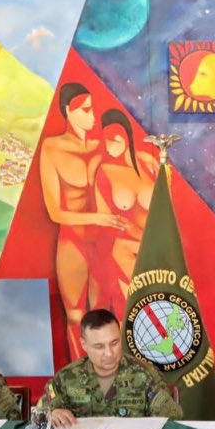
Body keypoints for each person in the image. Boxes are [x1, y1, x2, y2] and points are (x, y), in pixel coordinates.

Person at [39, 82, 127, 358]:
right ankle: (80, 377)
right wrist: (99, 217)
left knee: (103, 317)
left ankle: (109, 375)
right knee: (76, 316)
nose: (92, 116)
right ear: (69, 110)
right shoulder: (52, 148)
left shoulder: (103, 147)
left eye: (92, 109)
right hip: (73, 241)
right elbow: (55, 212)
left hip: (104, 243)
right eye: (85, 110)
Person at [39, 309, 182, 427]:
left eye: (114, 343)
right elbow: (41, 413)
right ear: (84, 344)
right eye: (99, 346)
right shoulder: (67, 377)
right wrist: (52, 413)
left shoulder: (145, 374)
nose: (109, 353)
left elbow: (172, 418)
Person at [92, 108, 159, 318]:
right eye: (105, 143)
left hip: (158, 249)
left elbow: (170, 209)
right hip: (127, 252)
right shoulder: (105, 171)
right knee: (137, 314)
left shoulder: (149, 163)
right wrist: (132, 231)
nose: (107, 148)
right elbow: (106, 222)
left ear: (122, 137)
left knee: (162, 313)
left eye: (110, 142)